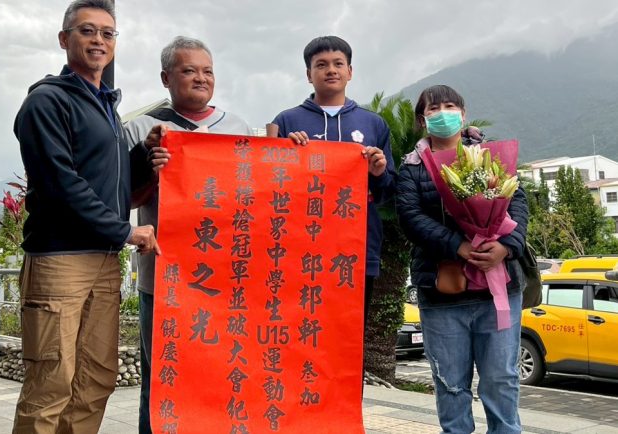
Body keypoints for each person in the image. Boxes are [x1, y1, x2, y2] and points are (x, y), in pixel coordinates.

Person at [12, 1, 159, 432]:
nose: (99, 40)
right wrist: (126, 230)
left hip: (103, 261)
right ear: (65, 39)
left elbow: (109, 180)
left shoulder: (105, 106)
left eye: (107, 34)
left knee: (95, 381)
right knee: (50, 385)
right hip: (59, 260)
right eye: (87, 31)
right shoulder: (47, 101)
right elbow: (60, 183)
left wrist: (145, 153)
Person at [124, 36, 251, 434]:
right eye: (189, 70)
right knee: (161, 377)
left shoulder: (238, 128)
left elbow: (257, 195)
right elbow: (125, 199)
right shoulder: (141, 128)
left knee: (222, 372)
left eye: (207, 71)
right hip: (164, 278)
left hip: (226, 279)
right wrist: (149, 167)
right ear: (166, 78)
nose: (201, 78)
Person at [396, 84, 528, 433]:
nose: (443, 114)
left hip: (498, 289)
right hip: (442, 292)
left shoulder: (490, 156)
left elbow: (517, 202)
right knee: (450, 383)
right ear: (422, 119)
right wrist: (459, 246)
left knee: (501, 379)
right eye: (433, 109)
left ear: (464, 114)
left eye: (450, 106)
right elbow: (410, 217)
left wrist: (506, 247)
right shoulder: (411, 167)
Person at [268, 35, 396, 331]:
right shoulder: (286, 121)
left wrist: (379, 172)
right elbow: (270, 189)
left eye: (338, 64)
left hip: (357, 251)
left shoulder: (373, 124)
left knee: (349, 337)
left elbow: (388, 194)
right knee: (299, 332)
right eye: (321, 64)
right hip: (298, 251)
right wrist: (286, 155)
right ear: (308, 74)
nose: (331, 70)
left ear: (350, 71)